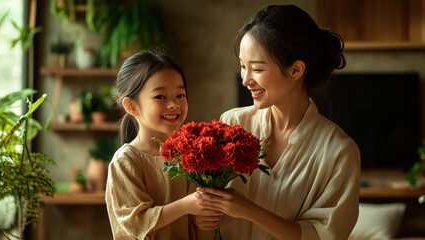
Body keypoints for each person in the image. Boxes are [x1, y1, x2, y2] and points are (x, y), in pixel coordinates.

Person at [194, 4, 361, 240]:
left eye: (257, 69)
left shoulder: (338, 152)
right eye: (243, 67)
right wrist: (201, 216)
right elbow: (205, 206)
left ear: (296, 70)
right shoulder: (231, 123)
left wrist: (248, 210)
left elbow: (322, 236)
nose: (245, 80)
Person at [105, 50, 220, 239]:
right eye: (160, 97)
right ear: (132, 106)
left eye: (180, 95)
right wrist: (187, 205)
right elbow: (136, 223)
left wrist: (201, 220)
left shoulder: (192, 154)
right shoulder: (125, 161)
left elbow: (200, 223)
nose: (174, 104)